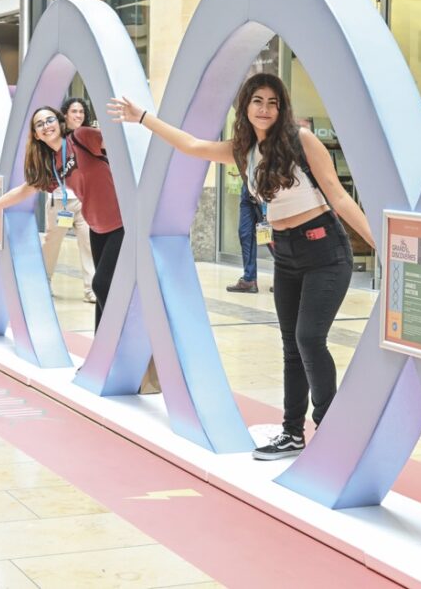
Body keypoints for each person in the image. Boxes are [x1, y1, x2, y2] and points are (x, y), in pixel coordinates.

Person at [108, 73, 375, 460]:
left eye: (272, 102)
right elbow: (192, 145)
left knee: (308, 338)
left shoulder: (302, 142)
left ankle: (331, 429)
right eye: (257, 101)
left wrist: (382, 247)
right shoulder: (243, 150)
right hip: (284, 255)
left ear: (281, 108)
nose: (265, 109)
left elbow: (340, 198)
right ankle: (292, 434)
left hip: (325, 250)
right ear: (245, 106)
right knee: (290, 347)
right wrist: (143, 117)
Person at [0, 106, 122, 329]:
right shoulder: (52, 164)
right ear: (36, 135)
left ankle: (120, 338)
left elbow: (118, 144)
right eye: (39, 124)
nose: (46, 126)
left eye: (49, 120)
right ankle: (102, 352)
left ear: (59, 122)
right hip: (97, 227)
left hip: (121, 221)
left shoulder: (80, 137)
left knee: (101, 284)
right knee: (103, 292)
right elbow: (23, 191)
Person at [41, 97, 97, 303]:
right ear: (65, 114)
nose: (78, 115)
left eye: (82, 112)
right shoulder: (57, 138)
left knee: (89, 245)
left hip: (84, 201)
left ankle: (91, 289)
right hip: (60, 201)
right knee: (51, 244)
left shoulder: (88, 137)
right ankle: (44, 282)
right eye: (74, 111)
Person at [227, 181, 260, 293]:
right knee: (245, 233)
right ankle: (249, 279)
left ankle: (288, 278)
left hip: (267, 183)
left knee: (271, 234)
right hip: (248, 185)